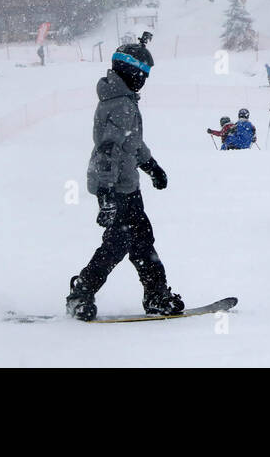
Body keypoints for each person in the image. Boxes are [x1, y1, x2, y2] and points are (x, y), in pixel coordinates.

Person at [66, 32, 181, 322]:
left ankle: (156, 296)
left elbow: (132, 143)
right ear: (131, 72)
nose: (144, 80)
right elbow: (107, 151)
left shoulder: (124, 100)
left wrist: (151, 165)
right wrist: (106, 197)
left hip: (126, 186)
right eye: (143, 74)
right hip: (115, 189)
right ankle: (81, 292)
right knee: (118, 244)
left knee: (142, 241)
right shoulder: (120, 104)